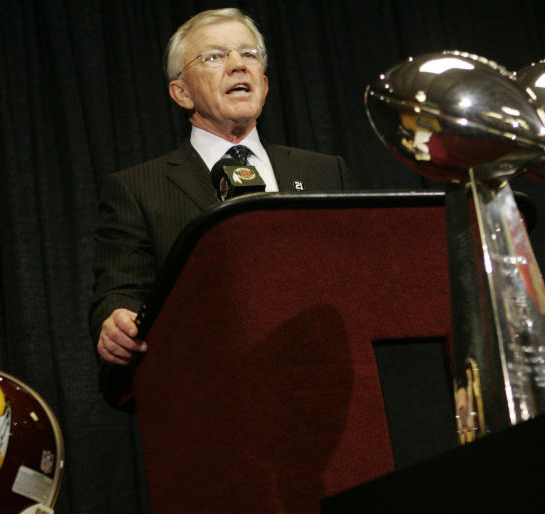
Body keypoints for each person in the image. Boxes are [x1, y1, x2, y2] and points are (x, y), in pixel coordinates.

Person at [90, 8, 350, 370]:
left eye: (249, 54)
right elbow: (121, 291)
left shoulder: (324, 171)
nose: (238, 65)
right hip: (209, 379)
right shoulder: (136, 189)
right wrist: (117, 319)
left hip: (323, 371)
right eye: (215, 56)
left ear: (265, 82)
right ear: (181, 93)